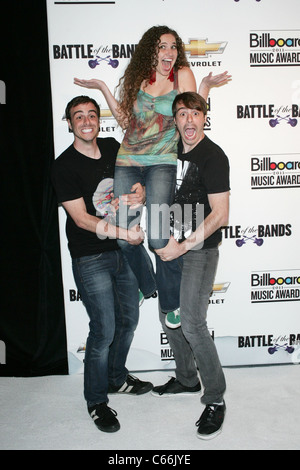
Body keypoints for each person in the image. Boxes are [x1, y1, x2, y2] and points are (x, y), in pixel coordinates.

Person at [74, 25, 230, 326]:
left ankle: (172, 303)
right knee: (121, 235)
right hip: (128, 160)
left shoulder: (182, 74)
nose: (169, 52)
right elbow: (125, 122)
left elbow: (190, 110)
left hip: (161, 162)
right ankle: (148, 285)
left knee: (159, 238)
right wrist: (105, 89)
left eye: (173, 46)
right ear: (151, 50)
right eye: (162, 46)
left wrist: (206, 88)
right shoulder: (138, 78)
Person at [51, 95, 153, 434]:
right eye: (78, 116)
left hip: (124, 251)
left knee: (129, 319)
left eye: (91, 114)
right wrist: (125, 231)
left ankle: (115, 378)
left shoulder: (112, 147)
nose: (85, 120)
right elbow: (80, 219)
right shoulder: (63, 165)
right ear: (69, 123)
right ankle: (96, 400)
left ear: (98, 120)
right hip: (90, 256)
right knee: (104, 328)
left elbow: (138, 176)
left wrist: (139, 190)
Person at [153, 91, 230, 440]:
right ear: (175, 120)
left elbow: (221, 215)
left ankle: (214, 399)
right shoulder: (167, 153)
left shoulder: (213, 157)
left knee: (193, 323)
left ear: (204, 117)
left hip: (198, 250)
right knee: (169, 316)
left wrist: (183, 245)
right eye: (181, 114)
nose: (188, 120)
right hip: (170, 247)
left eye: (195, 113)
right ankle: (186, 379)